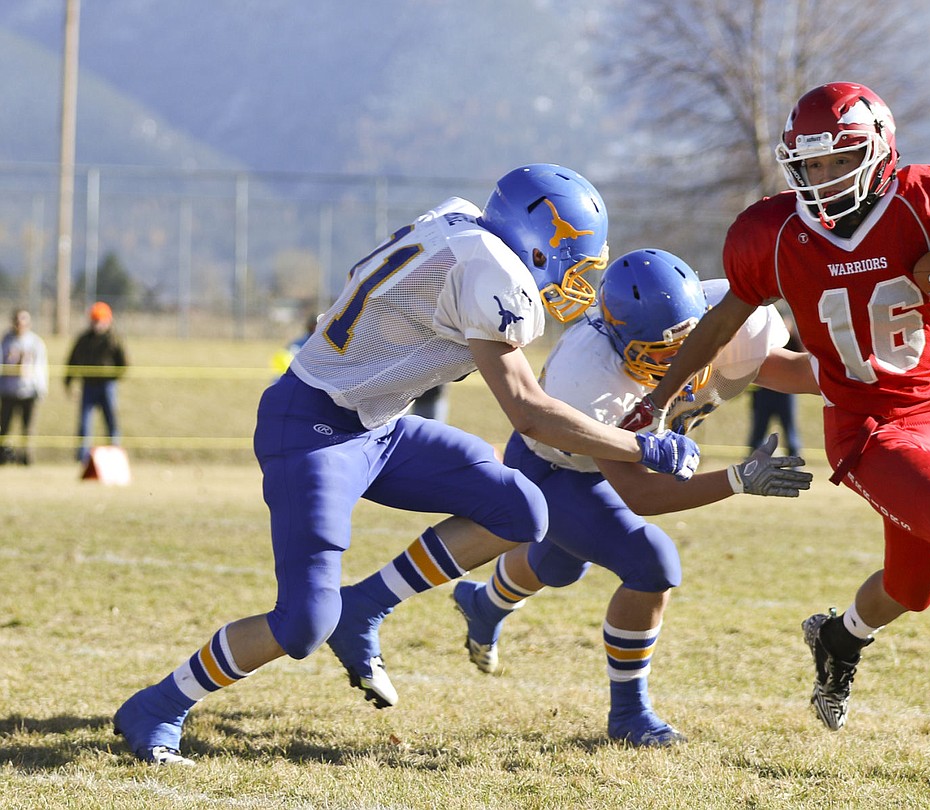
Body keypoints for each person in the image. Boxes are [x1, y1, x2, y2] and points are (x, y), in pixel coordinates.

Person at [113, 163, 702, 765]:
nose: (579, 282)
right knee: (302, 623)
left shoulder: (462, 224)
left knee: (522, 507)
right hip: (313, 429)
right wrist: (643, 447)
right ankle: (156, 706)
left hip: (377, 424)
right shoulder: (494, 274)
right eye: (575, 263)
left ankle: (365, 609)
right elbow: (528, 413)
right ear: (539, 244)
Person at [622, 83, 930, 758]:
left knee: (912, 587)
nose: (825, 178)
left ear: (881, 149)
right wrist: (659, 399)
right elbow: (721, 322)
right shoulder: (770, 234)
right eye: (813, 165)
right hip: (863, 427)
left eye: (840, 160)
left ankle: (838, 639)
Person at [449, 248, 816, 746]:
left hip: (612, 468)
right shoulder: (593, 377)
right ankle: (629, 714)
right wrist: (736, 479)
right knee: (652, 564)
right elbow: (641, 494)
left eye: (684, 346)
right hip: (553, 467)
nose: (672, 364)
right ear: (617, 335)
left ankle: (485, 604)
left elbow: (787, 369)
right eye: (654, 353)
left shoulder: (728, 320)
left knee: (558, 567)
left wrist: (872, 375)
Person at [64, 301, 129, 463]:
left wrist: (113, 377)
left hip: (107, 386)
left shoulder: (114, 339)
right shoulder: (84, 339)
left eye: (100, 320)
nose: (97, 324)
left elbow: (124, 362)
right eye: (94, 320)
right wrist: (68, 381)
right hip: (88, 385)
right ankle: (83, 457)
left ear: (108, 320)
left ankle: (115, 453)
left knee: (111, 421)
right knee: (85, 422)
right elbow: (72, 360)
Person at [0, 308, 50, 465]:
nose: (20, 324)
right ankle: (2, 457)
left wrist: (41, 389)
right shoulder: (6, 341)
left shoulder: (35, 342)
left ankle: (27, 459)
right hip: (8, 391)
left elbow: (41, 367)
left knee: (28, 430)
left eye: (23, 320)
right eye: (17, 320)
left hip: (29, 392)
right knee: (5, 428)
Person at [746, 327, 803, 456]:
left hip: (786, 392)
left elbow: (801, 355)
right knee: (758, 432)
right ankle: (752, 465)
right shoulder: (760, 339)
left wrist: (792, 332)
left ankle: (795, 466)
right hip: (763, 391)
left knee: (790, 431)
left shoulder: (791, 337)